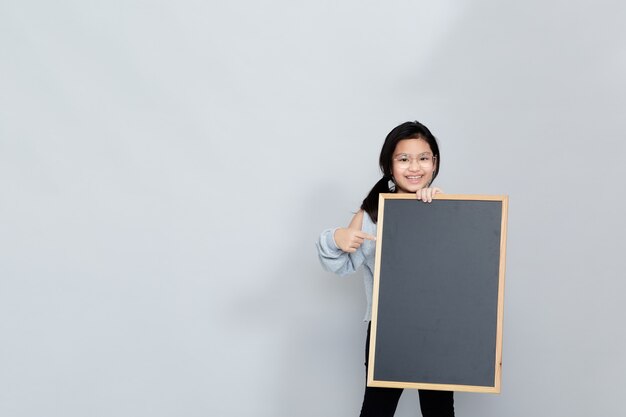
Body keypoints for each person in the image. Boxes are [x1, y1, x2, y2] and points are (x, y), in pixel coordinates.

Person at [315, 121, 455, 417]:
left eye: (423, 158)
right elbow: (341, 263)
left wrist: (442, 212)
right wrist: (336, 237)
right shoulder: (372, 214)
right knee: (377, 410)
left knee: (439, 411)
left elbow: (462, 269)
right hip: (387, 330)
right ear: (390, 166)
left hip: (437, 329)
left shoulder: (446, 208)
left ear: (434, 163)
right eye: (404, 159)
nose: (414, 167)